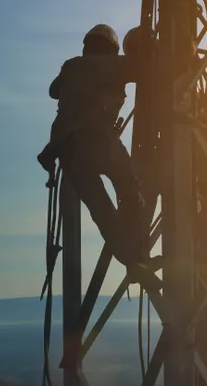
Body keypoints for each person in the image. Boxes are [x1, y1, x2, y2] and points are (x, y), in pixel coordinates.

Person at [38, 23, 156, 270]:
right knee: (131, 192)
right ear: (111, 49)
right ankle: (138, 252)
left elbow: (53, 91)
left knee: (102, 211)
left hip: (69, 153)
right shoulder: (114, 65)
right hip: (102, 144)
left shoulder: (70, 67)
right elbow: (149, 71)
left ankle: (130, 260)